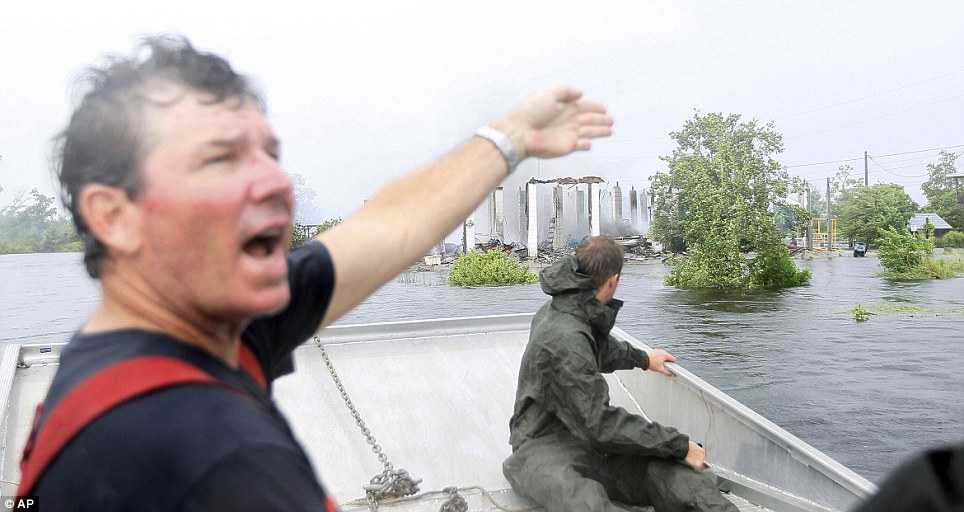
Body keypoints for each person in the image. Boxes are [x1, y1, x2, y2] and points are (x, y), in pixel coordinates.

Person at [19, 35, 613, 511]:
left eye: (269, 155)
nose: (277, 183)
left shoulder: (190, 335)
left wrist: (514, 137)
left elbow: (387, 226)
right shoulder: (220, 459)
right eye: (222, 158)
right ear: (115, 216)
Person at [503, 236, 738, 512]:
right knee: (585, 503)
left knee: (671, 475)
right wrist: (679, 445)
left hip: (587, 443)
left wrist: (644, 359)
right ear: (613, 280)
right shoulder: (565, 336)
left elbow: (599, 348)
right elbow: (599, 424)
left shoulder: (570, 306)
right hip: (542, 443)